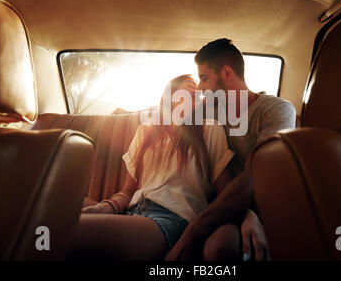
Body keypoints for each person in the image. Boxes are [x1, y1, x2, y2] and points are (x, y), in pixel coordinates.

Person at [68, 74, 236, 260]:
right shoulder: (145, 132)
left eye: (199, 92)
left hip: (171, 219)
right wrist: (108, 206)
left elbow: (227, 194)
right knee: (55, 207)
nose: (198, 93)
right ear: (171, 95)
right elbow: (127, 191)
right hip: (133, 211)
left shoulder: (210, 129)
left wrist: (247, 217)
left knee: (62, 232)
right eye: (190, 87)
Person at [165, 38, 296, 261]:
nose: (201, 87)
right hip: (221, 206)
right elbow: (172, 115)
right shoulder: (209, 109)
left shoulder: (276, 110)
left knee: (220, 247)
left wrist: (192, 233)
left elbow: (259, 175)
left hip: (257, 203)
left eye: (204, 78)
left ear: (226, 74)